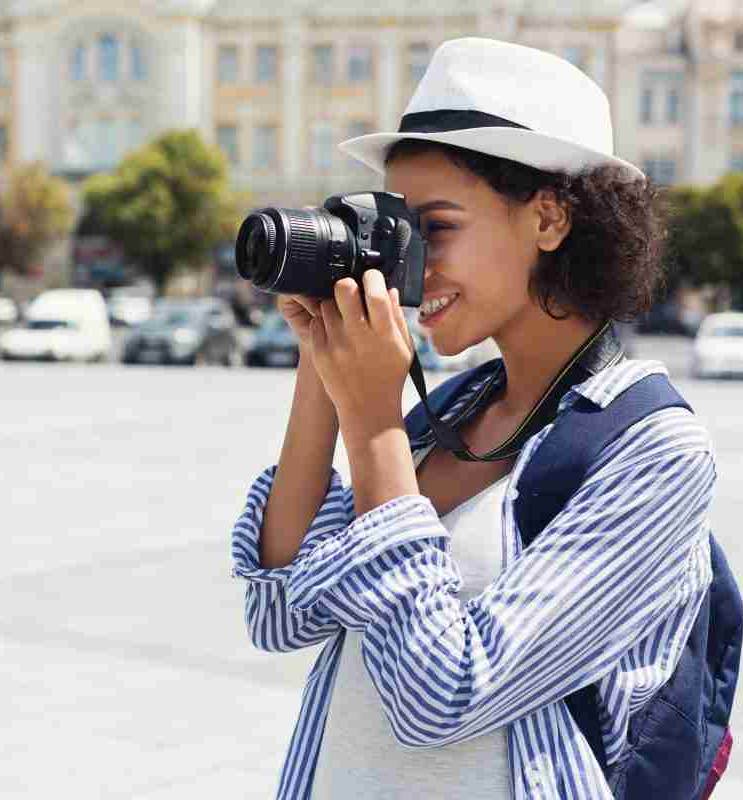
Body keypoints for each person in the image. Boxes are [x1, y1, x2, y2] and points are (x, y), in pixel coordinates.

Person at [230, 38, 715, 799]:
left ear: (550, 218)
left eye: (436, 228)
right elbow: (279, 613)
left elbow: (442, 694)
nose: (406, 263)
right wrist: (324, 363)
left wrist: (375, 424)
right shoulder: (450, 414)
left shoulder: (653, 449)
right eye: (393, 231)